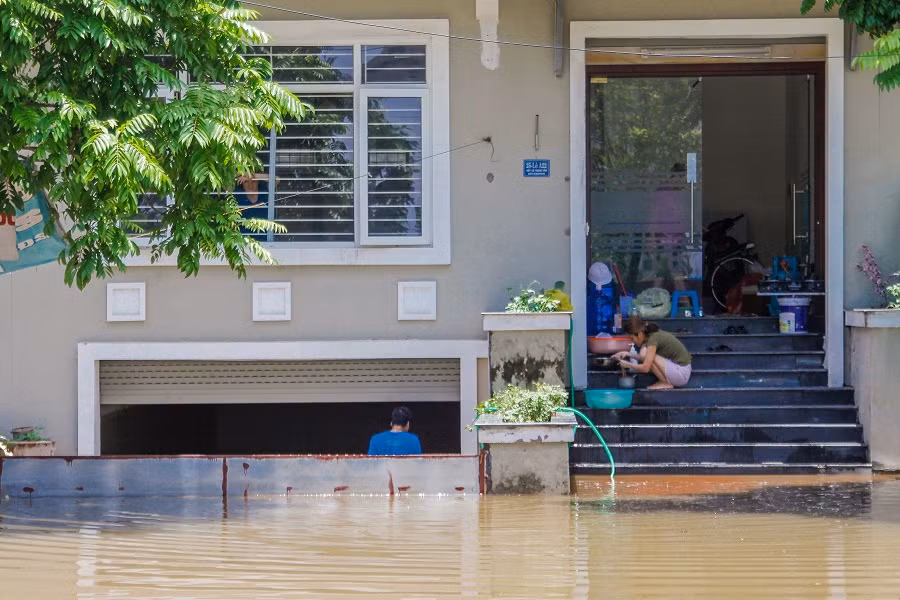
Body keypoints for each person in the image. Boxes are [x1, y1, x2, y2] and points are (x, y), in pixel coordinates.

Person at [613, 319, 692, 390]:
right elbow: (644, 357)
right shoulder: (651, 335)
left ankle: (664, 383)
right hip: (678, 370)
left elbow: (645, 368)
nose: (632, 341)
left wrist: (627, 364)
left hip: (681, 374)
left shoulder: (653, 339)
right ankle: (664, 382)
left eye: (632, 338)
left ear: (640, 334)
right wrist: (627, 354)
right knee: (647, 355)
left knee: (647, 355)